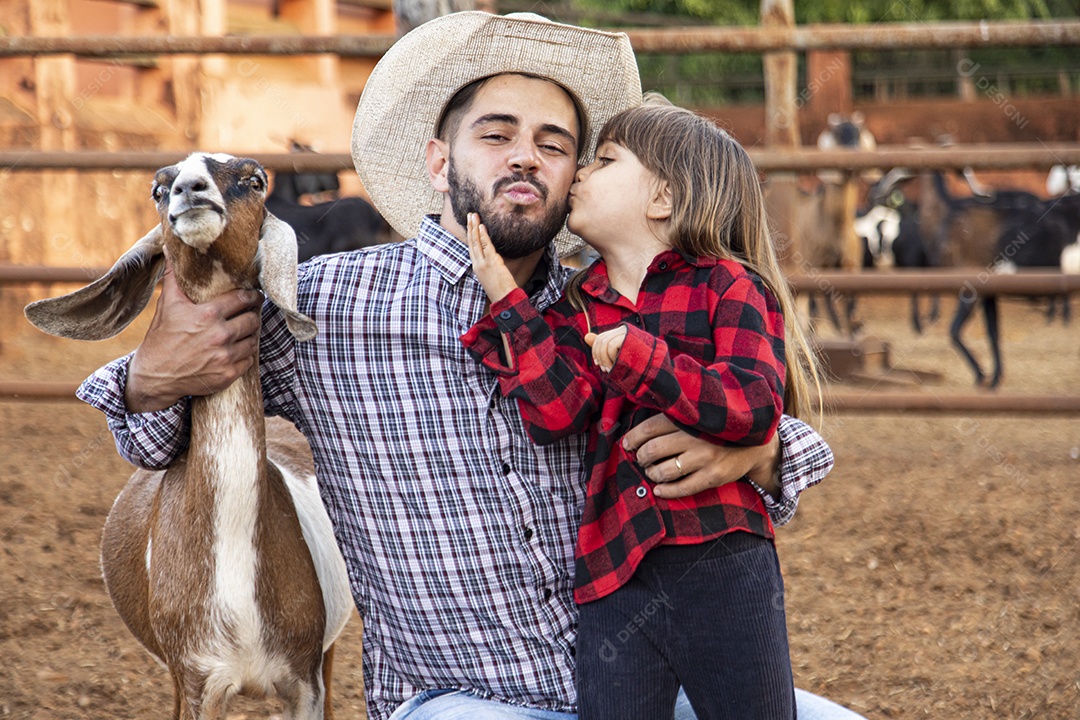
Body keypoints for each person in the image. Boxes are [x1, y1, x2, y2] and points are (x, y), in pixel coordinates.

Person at [76, 12, 859, 720]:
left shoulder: (607, 306)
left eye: (554, 144)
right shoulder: (326, 309)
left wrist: (761, 452)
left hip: (644, 680)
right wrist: (148, 375)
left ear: (574, 177)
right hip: (462, 699)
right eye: (497, 134)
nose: (527, 156)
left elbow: (781, 427)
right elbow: (155, 443)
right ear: (438, 159)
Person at [461, 96, 821, 719]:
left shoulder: (728, 286)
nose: (577, 173)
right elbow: (558, 414)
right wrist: (508, 302)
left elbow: (753, 405)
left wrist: (640, 358)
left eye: (603, 160)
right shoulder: (578, 307)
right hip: (614, 572)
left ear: (664, 200)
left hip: (723, 560)